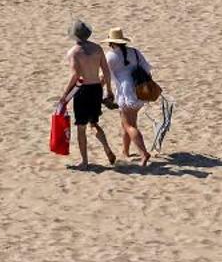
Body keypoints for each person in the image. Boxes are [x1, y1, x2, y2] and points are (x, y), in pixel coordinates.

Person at [59, 21, 118, 168]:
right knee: (94, 123)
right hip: (96, 88)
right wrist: (109, 90)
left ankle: (84, 161)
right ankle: (107, 148)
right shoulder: (97, 49)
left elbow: (75, 75)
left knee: (81, 127)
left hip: (83, 90)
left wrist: (65, 95)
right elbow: (106, 71)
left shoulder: (74, 52)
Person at [100, 28, 157, 166]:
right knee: (128, 122)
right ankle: (125, 151)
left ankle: (143, 153)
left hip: (126, 93)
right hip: (140, 90)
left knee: (129, 125)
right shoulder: (135, 52)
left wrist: (97, 91)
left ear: (111, 43)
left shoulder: (111, 56)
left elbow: (103, 77)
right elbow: (148, 71)